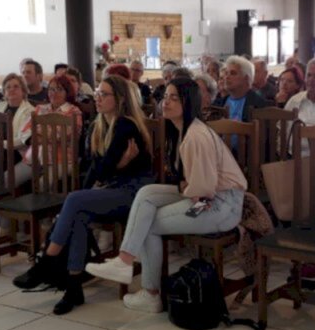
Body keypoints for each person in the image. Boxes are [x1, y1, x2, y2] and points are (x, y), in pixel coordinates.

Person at [85, 78, 247, 312]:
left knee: (148, 223)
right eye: (165, 97)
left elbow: (204, 190)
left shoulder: (196, 136)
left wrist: (184, 190)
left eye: (174, 98)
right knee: (147, 193)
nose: (166, 102)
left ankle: (150, 293)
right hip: (203, 197)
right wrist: (184, 188)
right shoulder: (182, 131)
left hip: (217, 206)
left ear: (188, 102)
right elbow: (190, 183)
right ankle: (125, 260)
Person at [15, 76, 155, 314]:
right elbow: (94, 169)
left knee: (74, 201)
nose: (97, 98)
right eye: (97, 93)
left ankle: (46, 263)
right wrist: (90, 186)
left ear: (119, 99)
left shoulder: (125, 125)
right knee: (77, 211)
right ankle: (73, 288)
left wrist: (115, 166)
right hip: (112, 190)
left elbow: (103, 169)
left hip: (135, 195)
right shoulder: (100, 125)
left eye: (104, 94)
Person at [21, 75, 83, 168]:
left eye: (59, 89)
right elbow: (24, 131)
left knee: (41, 183)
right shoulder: (40, 108)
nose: (54, 93)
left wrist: (37, 133)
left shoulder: (74, 111)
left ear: (67, 92)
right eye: (51, 89)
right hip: (33, 159)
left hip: (62, 161)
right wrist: (37, 137)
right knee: (7, 179)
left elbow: (60, 135)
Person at [0, 73, 35, 184]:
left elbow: (22, 141)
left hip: (16, 152)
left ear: (23, 91)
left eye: (16, 86)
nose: (12, 89)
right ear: (4, 93)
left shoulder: (30, 111)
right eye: (8, 87)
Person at [216, 55, 267, 122]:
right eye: (226, 73)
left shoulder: (259, 104)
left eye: (233, 73)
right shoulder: (218, 104)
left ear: (246, 78)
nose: (227, 77)